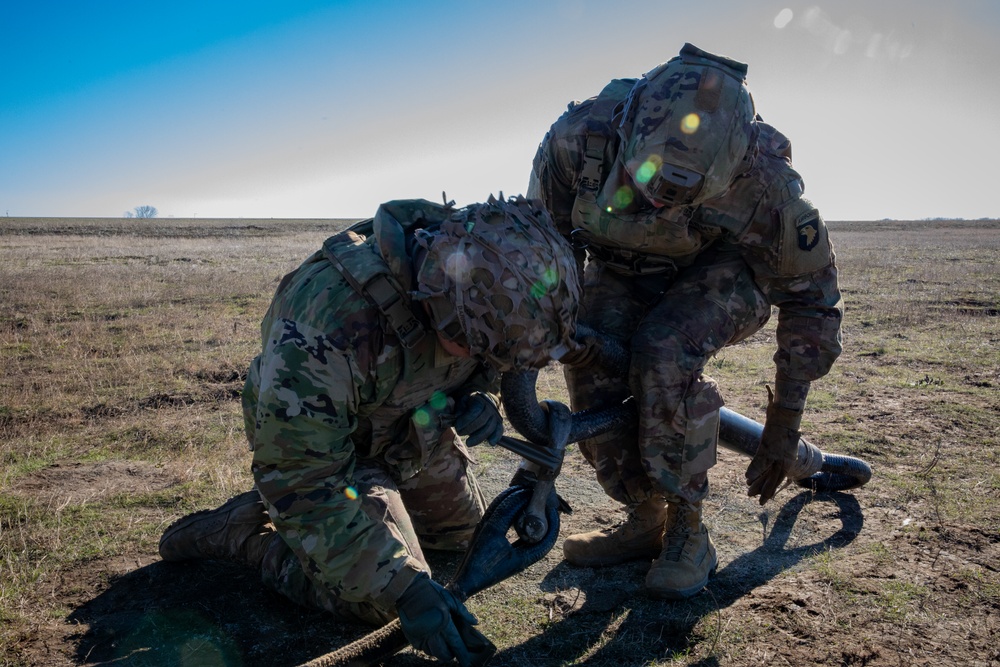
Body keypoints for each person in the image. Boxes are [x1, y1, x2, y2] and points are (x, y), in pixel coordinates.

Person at [158, 195, 581, 666]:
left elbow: (477, 362)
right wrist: (403, 586)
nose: (484, 359)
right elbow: (302, 475)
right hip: (331, 461)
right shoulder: (327, 325)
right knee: (380, 599)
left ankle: (384, 509)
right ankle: (246, 535)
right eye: (475, 347)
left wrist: (474, 399)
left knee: (463, 534)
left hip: (412, 434)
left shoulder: (484, 278)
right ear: (435, 304)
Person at [527, 43, 843, 600]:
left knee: (663, 351)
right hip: (618, 266)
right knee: (589, 363)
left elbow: (811, 297)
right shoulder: (577, 140)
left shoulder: (765, 178)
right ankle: (644, 519)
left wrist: (784, 424)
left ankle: (688, 532)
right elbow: (543, 246)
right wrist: (543, 338)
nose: (666, 207)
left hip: (719, 270)